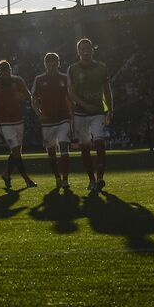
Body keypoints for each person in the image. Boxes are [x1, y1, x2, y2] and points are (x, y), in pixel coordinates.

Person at [0, 60, 37, 190]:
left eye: (8, 71)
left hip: (18, 120)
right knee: (16, 151)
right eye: (3, 72)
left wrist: (25, 98)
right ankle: (27, 180)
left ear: (11, 70)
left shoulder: (18, 81)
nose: (6, 74)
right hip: (4, 122)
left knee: (16, 151)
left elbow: (28, 96)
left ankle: (6, 174)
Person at [69, 37, 113, 195]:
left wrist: (110, 110)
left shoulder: (102, 68)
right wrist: (83, 104)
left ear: (93, 50)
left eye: (89, 49)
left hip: (97, 113)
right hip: (81, 114)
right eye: (83, 49)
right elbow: (71, 92)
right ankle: (91, 179)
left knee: (100, 143)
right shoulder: (73, 69)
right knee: (85, 148)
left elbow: (107, 90)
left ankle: (100, 178)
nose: (86, 52)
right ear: (78, 52)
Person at [31, 52, 74, 194]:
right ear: (45, 64)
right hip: (48, 120)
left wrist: (72, 117)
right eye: (48, 63)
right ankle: (57, 177)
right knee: (51, 152)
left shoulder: (64, 78)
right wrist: (39, 114)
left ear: (58, 63)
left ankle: (66, 179)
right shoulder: (39, 79)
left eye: (54, 62)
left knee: (63, 147)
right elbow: (33, 99)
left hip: (63, 118)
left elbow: (71, 98)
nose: (51, 65)